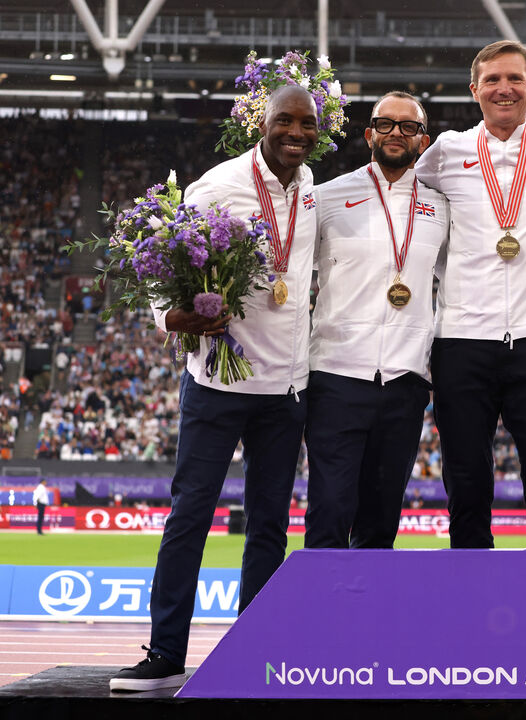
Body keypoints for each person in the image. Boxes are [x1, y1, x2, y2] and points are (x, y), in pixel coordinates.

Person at [111, 85, 319, 691]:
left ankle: (255, 648)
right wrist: (168, 316)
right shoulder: (218, 184)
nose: (295, 133)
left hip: (286, 386)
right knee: (190, 516)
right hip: (217, 379)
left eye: (306, 124)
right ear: (264, 121)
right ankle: (166, 652)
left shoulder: (315, 194)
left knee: (269, 524)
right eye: (285, 120)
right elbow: (161, 255)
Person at [414, 40, 526, 548]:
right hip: (462, 343)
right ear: (475, 90)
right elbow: (399, 198)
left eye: (515, 79)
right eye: (492, 80)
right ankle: (472, 610)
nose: (504, 88)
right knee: (466, 489)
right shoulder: (446, 151)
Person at [305, 91, 448, 549]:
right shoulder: (325, 199)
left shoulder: (442, 208)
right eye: (385, 124)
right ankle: (322, 619)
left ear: (422, 141)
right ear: (369, 133)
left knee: (381, 521)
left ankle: (365, 620)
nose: (395, 134)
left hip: (405, 384)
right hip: (335, 378)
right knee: (328, 512)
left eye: (409, 127)